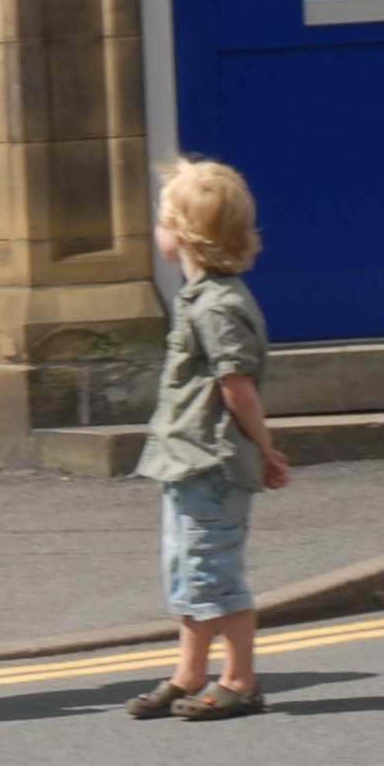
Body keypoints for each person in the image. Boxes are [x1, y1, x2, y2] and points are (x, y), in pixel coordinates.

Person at [122, 159, 287, 721]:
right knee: (189, 573)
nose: (156, 229)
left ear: (184, 236)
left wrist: (263, 449)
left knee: (216, 576)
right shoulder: (202, 298)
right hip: (186, 462)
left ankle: (239, 679)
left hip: (212, 463)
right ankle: (190, 673)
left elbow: (237, 386)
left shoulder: (218, 306)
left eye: (162, 219)